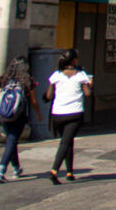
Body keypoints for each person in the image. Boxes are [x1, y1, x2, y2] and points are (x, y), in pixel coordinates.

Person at [0, 56, 41, 183]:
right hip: (19, 115)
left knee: (11, 141)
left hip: (5, 115)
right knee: (12, 141)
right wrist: (38, 114)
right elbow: (33, 101)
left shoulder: (4, 81)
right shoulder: (27, 81)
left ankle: (16, 168)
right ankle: (1, 169)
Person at [44, 48, 92, 184]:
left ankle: (70, 172)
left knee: (68, 141)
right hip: (74, 113)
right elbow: (87, 93)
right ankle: (54, 170)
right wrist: (90, 85)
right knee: (65, 142)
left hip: (57, 113)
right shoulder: (80, 75)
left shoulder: (56, 75)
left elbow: (48, 96)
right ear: (74, 60)